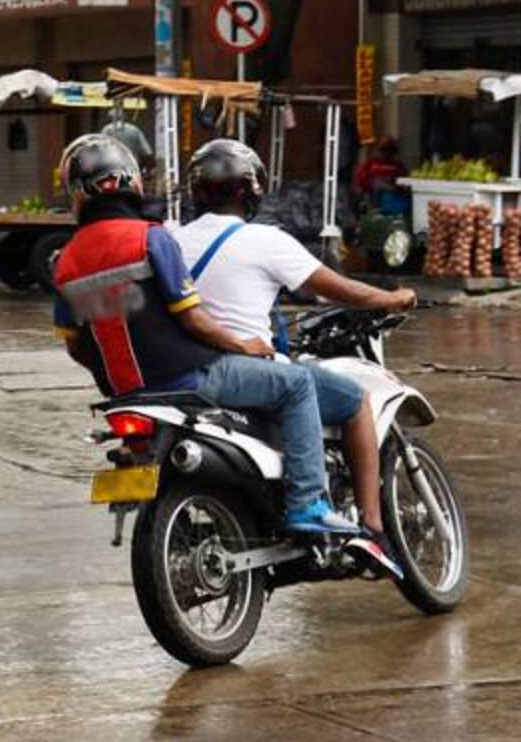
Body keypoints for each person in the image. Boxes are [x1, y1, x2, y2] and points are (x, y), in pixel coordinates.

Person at [52, 134, 361, 536]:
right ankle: (307, 503)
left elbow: (76, 344)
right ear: (131, 181)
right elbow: (193, 319)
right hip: (187, 379)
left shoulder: (66, 261)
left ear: (76, 193)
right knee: (298, 383)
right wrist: (243, 345)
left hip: (124, 394)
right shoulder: (151, 237)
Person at [174, 138, 416, 573]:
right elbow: (340, 290)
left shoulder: (173, 239)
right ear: (251, 189)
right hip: (235, 368)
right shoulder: (266, 240)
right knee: (351, 398)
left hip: (186, 370)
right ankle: (360, 524)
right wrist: (393, 297)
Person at [354, 136, 408, 209]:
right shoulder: (371, 164)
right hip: (373, 197)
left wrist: (391, 186)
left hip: (393, 197)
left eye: (389, 150)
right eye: (383, 150)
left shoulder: (398, 166)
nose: (386, 153)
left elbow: (404, 183)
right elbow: (361, 180)